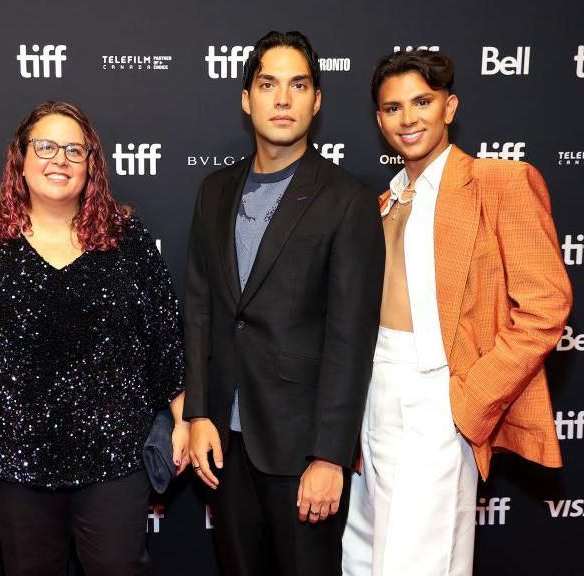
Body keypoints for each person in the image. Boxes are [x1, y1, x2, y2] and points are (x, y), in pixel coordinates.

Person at [342, 49, 572, 575]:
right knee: (364, 555)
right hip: (373, 392)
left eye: (422, 102)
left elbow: (545, 305)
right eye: (393, 107)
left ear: (450, 106)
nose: (408, 118)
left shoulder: (499, 182)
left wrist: (470, 398)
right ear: (379, 120)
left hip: (440, 394)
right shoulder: (382, 202)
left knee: (417, 562)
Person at [184, 31, 384, 575]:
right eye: (268, 84)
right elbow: (199, 309)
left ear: (316, 101)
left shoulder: (348, 200)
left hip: (300, 448)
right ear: (246, 98)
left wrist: (329, 456)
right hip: (225, 444)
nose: (282, 99)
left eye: (298, 85)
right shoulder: (214, 191)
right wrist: (200, 413)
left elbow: (351, 338)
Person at [0, 100, 188, 576]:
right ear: (20, 160)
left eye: (74, 149)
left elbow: (165, 339)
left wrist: (183, 419)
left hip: (113, 457)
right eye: (44, 146)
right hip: (13, 458)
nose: (59, 159)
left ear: (92, 165)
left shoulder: (127, 239)